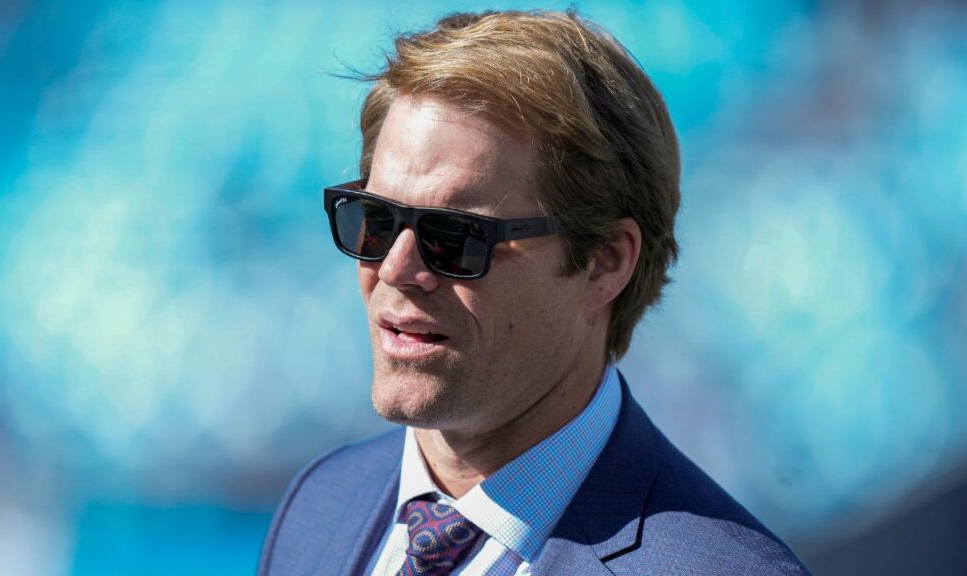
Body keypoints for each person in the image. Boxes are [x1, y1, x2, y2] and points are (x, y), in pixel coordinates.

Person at [258, 9, 810, 576]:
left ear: (604, 262)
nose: (397, 268)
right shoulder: (319, 506)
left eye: (455, 235)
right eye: (375, 219)